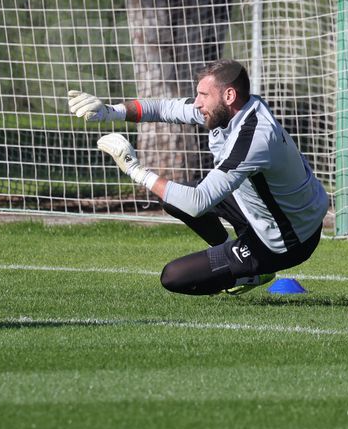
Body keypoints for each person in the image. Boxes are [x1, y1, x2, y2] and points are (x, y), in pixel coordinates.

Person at [67, 59, 328, 296]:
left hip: (287, 240)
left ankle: (253, 269)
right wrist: (109, 111)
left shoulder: (255, 138)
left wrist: (134, 169)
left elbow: (197, 202)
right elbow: (161, 108)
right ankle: (234, 252)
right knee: (172, 198)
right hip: (259, 209)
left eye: (203, 95)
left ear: (229, 95)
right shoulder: (229, 109)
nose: (197, 103)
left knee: (174, 277)